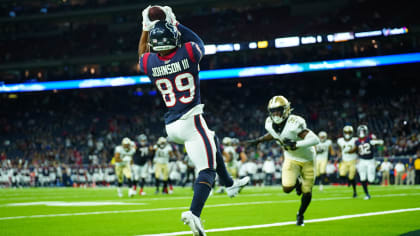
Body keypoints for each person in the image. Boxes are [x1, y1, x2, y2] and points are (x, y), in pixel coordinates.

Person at [138, 6, 249, 235]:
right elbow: (199, 42)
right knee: (206, 171)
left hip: (171, 125)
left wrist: (145, 28)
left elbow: (141, 53)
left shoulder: (150, 63)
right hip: (191, 119)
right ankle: (194, 214)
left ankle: (229, 184)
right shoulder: (188, 51)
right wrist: (175, 23)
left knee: (212, 137)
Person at [244, 95, 320, 226]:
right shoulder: (269, 123)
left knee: (307, 192)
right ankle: (298, 182)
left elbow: (315, 140)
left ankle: (300, 214)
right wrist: (258, 140)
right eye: (273, 111)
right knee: (286, 188)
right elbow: (273, 134)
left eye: (278, 110)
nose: (275, 114)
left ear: (286, 109)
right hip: (291, 157)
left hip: (308, 158)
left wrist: (297, 144)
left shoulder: (294, 123)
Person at [350, 125, 384, 200]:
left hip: (370, 161)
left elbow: (381, 143)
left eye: (363, 131)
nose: (362, 133)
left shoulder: (370, 138)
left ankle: (376, 166)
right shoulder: (357, 141)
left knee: (371, 179)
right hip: (362, 161)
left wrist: (376, 142)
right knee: (362, 178)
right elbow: (356, 150)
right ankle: (367, 194)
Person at [337, 125, 358, 198]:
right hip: (344, 161)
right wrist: (339, 156)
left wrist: (349, 151)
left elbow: (356, 148)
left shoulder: (355, 140)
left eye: (349, 132)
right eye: (346, 132)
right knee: (342, 174)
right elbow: (339, 149)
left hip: (353, 160)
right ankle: (348, 181)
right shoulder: (340, 140)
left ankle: (355, 192)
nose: (347, 133)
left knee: (352, 177)